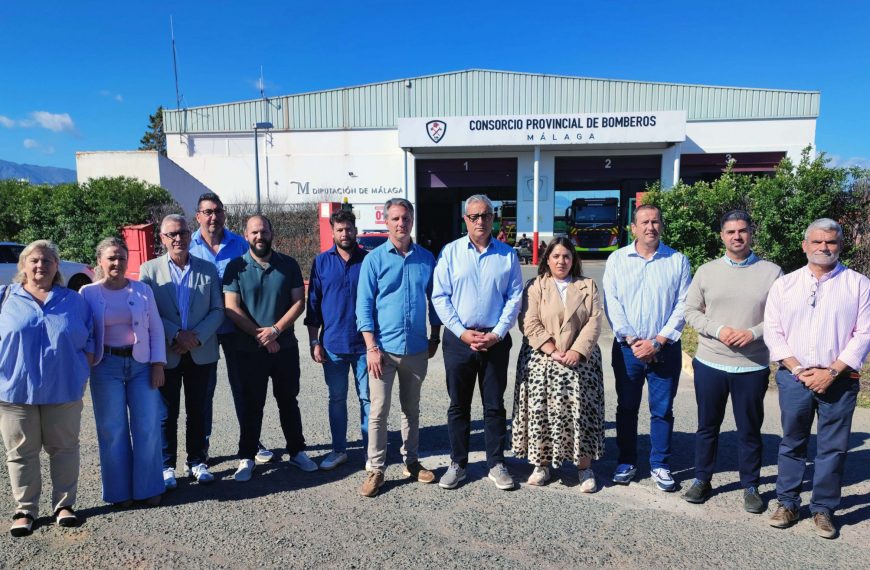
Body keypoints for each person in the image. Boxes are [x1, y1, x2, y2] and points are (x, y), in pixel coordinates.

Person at [764, 218, 870, 539]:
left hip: (840, 378)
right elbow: (773, 330)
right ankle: (787, 503)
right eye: (818, 242)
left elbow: (864, 334)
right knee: (792, 442)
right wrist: (798, 369)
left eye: (831, 242)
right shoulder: (785, 285)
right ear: (805, 245)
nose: (824, 247)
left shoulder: (858, 284)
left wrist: (832, 371)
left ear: (840, 245)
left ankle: (823, 509)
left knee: (833, 447)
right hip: (794, 377)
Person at [682, 211, 782, 512]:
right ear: (722, 236)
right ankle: (702, 479)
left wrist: (752, 333)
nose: (736, 236)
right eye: (730, 232)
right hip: (710, 362)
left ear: (751, 233)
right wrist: (719, 330)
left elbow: (780, 318)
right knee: (707, 426)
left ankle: (750, 485)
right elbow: (691, 312)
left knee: (749, 430)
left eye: (742, 231)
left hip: (751, 365)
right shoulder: (706, 271)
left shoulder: (772, 273)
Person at [0, 240, 93, 536]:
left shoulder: (74, 300)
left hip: (63, 389)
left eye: (48, 261)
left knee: (64, 449)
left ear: (57, 267)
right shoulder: (5, 297)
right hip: (14, 391)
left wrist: (81, 371)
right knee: (20, 452)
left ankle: (64, 505)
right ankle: (25, 509)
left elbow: (91, 339)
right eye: (35, 260)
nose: (41, 266)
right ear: (23, 266)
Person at [433, 194, 523, 490]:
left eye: (485, 215)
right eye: (474, 216)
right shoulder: (450, 253)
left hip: (495, 341)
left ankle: (496, 463)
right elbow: (440, 297)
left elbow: (514, 297)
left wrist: (496, 332)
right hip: (459, 341)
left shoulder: (507, 255)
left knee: (494, 405)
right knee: (459, 405)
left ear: (493, 218)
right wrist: (461, 331)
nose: (480, 221)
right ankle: (458, 463)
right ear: (465, 220)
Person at [356, 198, 441, 497]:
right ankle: (375, 469)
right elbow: (364, 305)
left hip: (416, 348)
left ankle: (412, 462)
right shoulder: (374, 260)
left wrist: (435, 336)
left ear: (412, 220)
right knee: (378, 411)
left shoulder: (426, 259)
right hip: (382, 351)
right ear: (386, 222)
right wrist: (370, 347)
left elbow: (436, 301)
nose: (400, 223)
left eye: (405, 218)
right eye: (394, 218)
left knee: (411, 410)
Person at [602, 204, 691, 491]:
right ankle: (626, 460)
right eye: (644, 222)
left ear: (661, 226)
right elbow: (611, 302)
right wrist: (630, 339)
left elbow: (683, 305)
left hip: (664, 349)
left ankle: (660, 464)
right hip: (628, 349)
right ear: (633, 228)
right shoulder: (617, 260)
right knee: (627, 407)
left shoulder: (677, 260)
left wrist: (658, 341)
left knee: (662, 409)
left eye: (655, 222)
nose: (650, 227)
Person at [223, 215, 317, 481]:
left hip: (284, 346)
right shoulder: (235, 267)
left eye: (263, 231)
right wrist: (259, 335)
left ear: (272, 232)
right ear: (245, 235)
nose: (259, 236)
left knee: (288, 401)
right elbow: (231, 307)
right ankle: (247, 456)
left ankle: (297, 451)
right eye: (254, 232)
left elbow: (299, 302)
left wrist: (275, 330)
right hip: (248, 349)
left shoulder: (287, 264)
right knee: (252, 404)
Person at [511, 237, 604, 491]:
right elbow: (528, 322)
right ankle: (541, 464)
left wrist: (576, 351)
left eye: (566, 256)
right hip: (542, 359)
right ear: (547, 260)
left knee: (580, 413)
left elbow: (595, 321)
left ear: (573, 259)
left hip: (580, 362)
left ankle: (584, 468)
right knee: (542, 413)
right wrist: (552, 350)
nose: (561, 261)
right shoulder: (536, 286)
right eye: (556, 256)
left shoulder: (588, 286)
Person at [140, 215, 225, 489]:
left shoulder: (207, 269)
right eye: (172, 234)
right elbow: (147, 311)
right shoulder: (149, 271)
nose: (179, 238)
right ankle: (166, 466)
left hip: (201, 351)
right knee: (166, 413)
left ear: (191, 235)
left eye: (183, 233)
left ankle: (197, 461)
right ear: (162, 239)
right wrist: (176, 334)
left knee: (199, 409)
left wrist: (194, 338)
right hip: (166, 352)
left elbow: (217, 310)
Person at [189, 192, 274, 466]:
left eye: (217, 211)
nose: (213, 217)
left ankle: (251, 442)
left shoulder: (240, 243)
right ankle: (201, 448)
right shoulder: (187, 246)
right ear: (198, 216)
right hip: (203, 330)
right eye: (207, 212)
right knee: (204, 392)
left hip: (238, 327)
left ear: (224, 214)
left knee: (244, 388)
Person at [80, 237, 166, 507]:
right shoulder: (87, 293)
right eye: (111, 258)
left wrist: (157, 364)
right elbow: (84, 332)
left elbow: (156, 328)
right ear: (100, 262)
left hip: (141, 365)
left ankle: (149, 487)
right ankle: (119, 492)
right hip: (106, 367)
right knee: (111, 429)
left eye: (121, 257)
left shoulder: (142, 290)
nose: (117, 263)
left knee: (147, 426)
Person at [305, 209, 371, 470]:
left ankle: (371, 453)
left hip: (365, 346)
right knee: (337, 399)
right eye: (340, 229)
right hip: (332, 345)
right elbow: (314, 304)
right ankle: (339, 450)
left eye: (349, 229)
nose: (345, 234)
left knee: (368, 399)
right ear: (333, 232)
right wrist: (314, 341)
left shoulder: (368, 260)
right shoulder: (321, 262)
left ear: (356, 230)